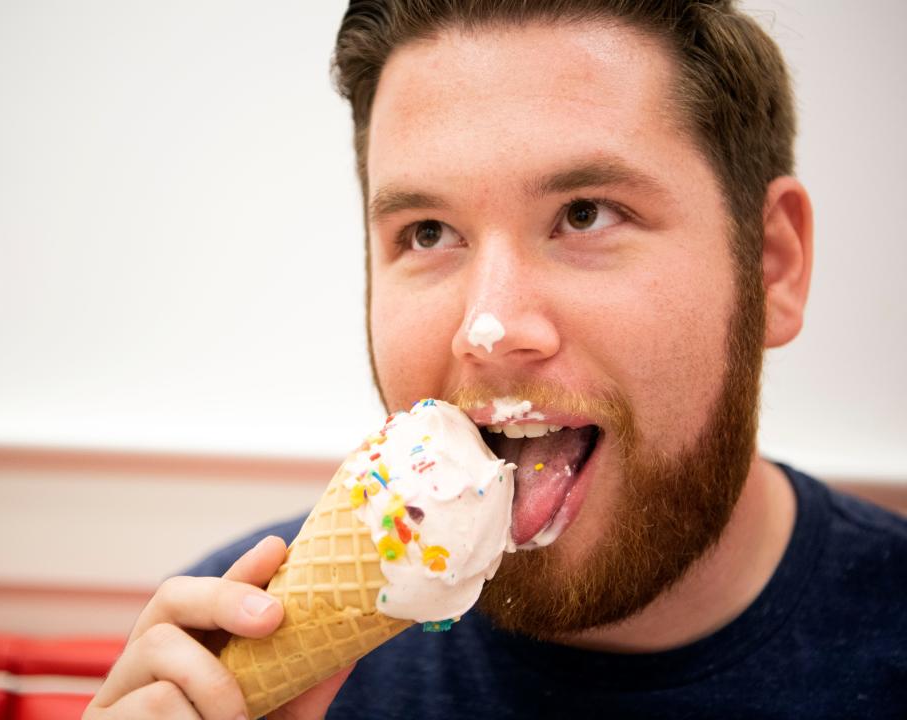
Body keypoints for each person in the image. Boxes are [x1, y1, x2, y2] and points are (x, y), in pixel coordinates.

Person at [84, 1, 907, 718]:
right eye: (428, 233)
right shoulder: (225, 650)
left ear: (772, 265)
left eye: (585, 214)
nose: (489, 325)